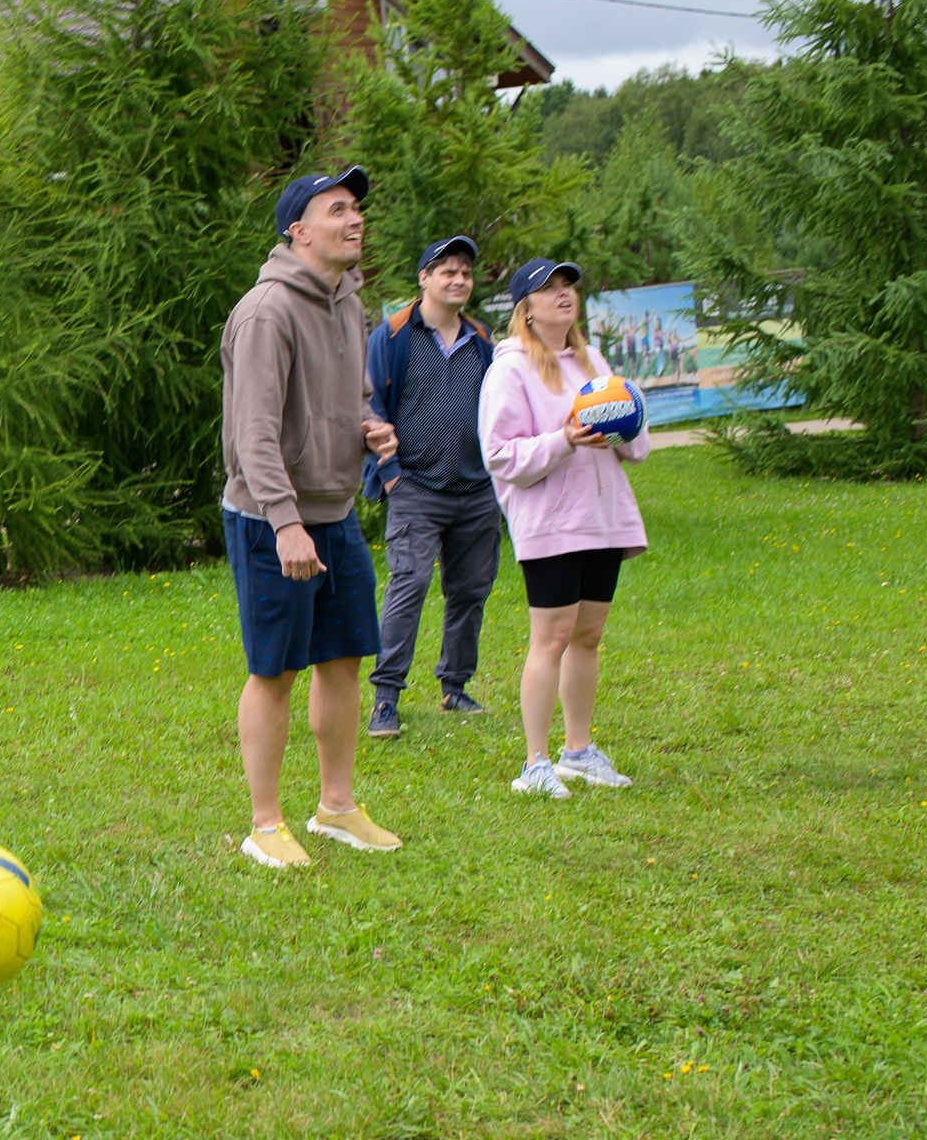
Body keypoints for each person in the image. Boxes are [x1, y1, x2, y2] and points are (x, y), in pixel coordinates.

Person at [219, 165, 404, 869]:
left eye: (357, 207)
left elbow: (352, 394)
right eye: (337, 210)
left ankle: (336, 807)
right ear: (299, 231)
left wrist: (368, 426)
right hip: (273, 519)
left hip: (333, 512)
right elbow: (253, 434)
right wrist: (286, 523)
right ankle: (265, 824)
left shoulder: (347, 303)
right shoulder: (268, 311)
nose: (354, 219)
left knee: (343, 658)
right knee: (275, 668)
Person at [477, 258, 650, 798]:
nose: (562, 295)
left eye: (567, 287)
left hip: (602, 520)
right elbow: (500, 454)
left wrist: (627, 428)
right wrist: (565, 440)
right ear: (524, 308)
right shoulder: (510, 368)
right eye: (547, 289)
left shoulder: (592, 359)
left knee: (588, 637)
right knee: (550, 638)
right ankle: (535, 764)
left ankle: (578, 752)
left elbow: (632, 443)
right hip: (551, 524)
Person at [364, 234, 501, 740]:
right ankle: (385, 699)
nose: (459, 279)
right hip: (415, 486)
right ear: (424, 278)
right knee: (410, 583)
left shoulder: (482, 340)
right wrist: (391, 477)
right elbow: (370, 408)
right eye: (448, 271)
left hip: (475, 490)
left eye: (466, 272)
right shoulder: (394, 334)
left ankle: (455, 686)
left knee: (470, 590)